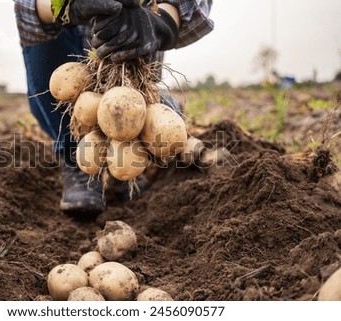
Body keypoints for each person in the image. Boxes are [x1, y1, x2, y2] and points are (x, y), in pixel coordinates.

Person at [14, 0, 214, 215]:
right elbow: (26, 5)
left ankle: (134, 151)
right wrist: (67, 9)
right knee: (85, 111)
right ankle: (74, 156)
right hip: (68, 48)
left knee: (134, 115)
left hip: (136, 58)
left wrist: (159, 23)